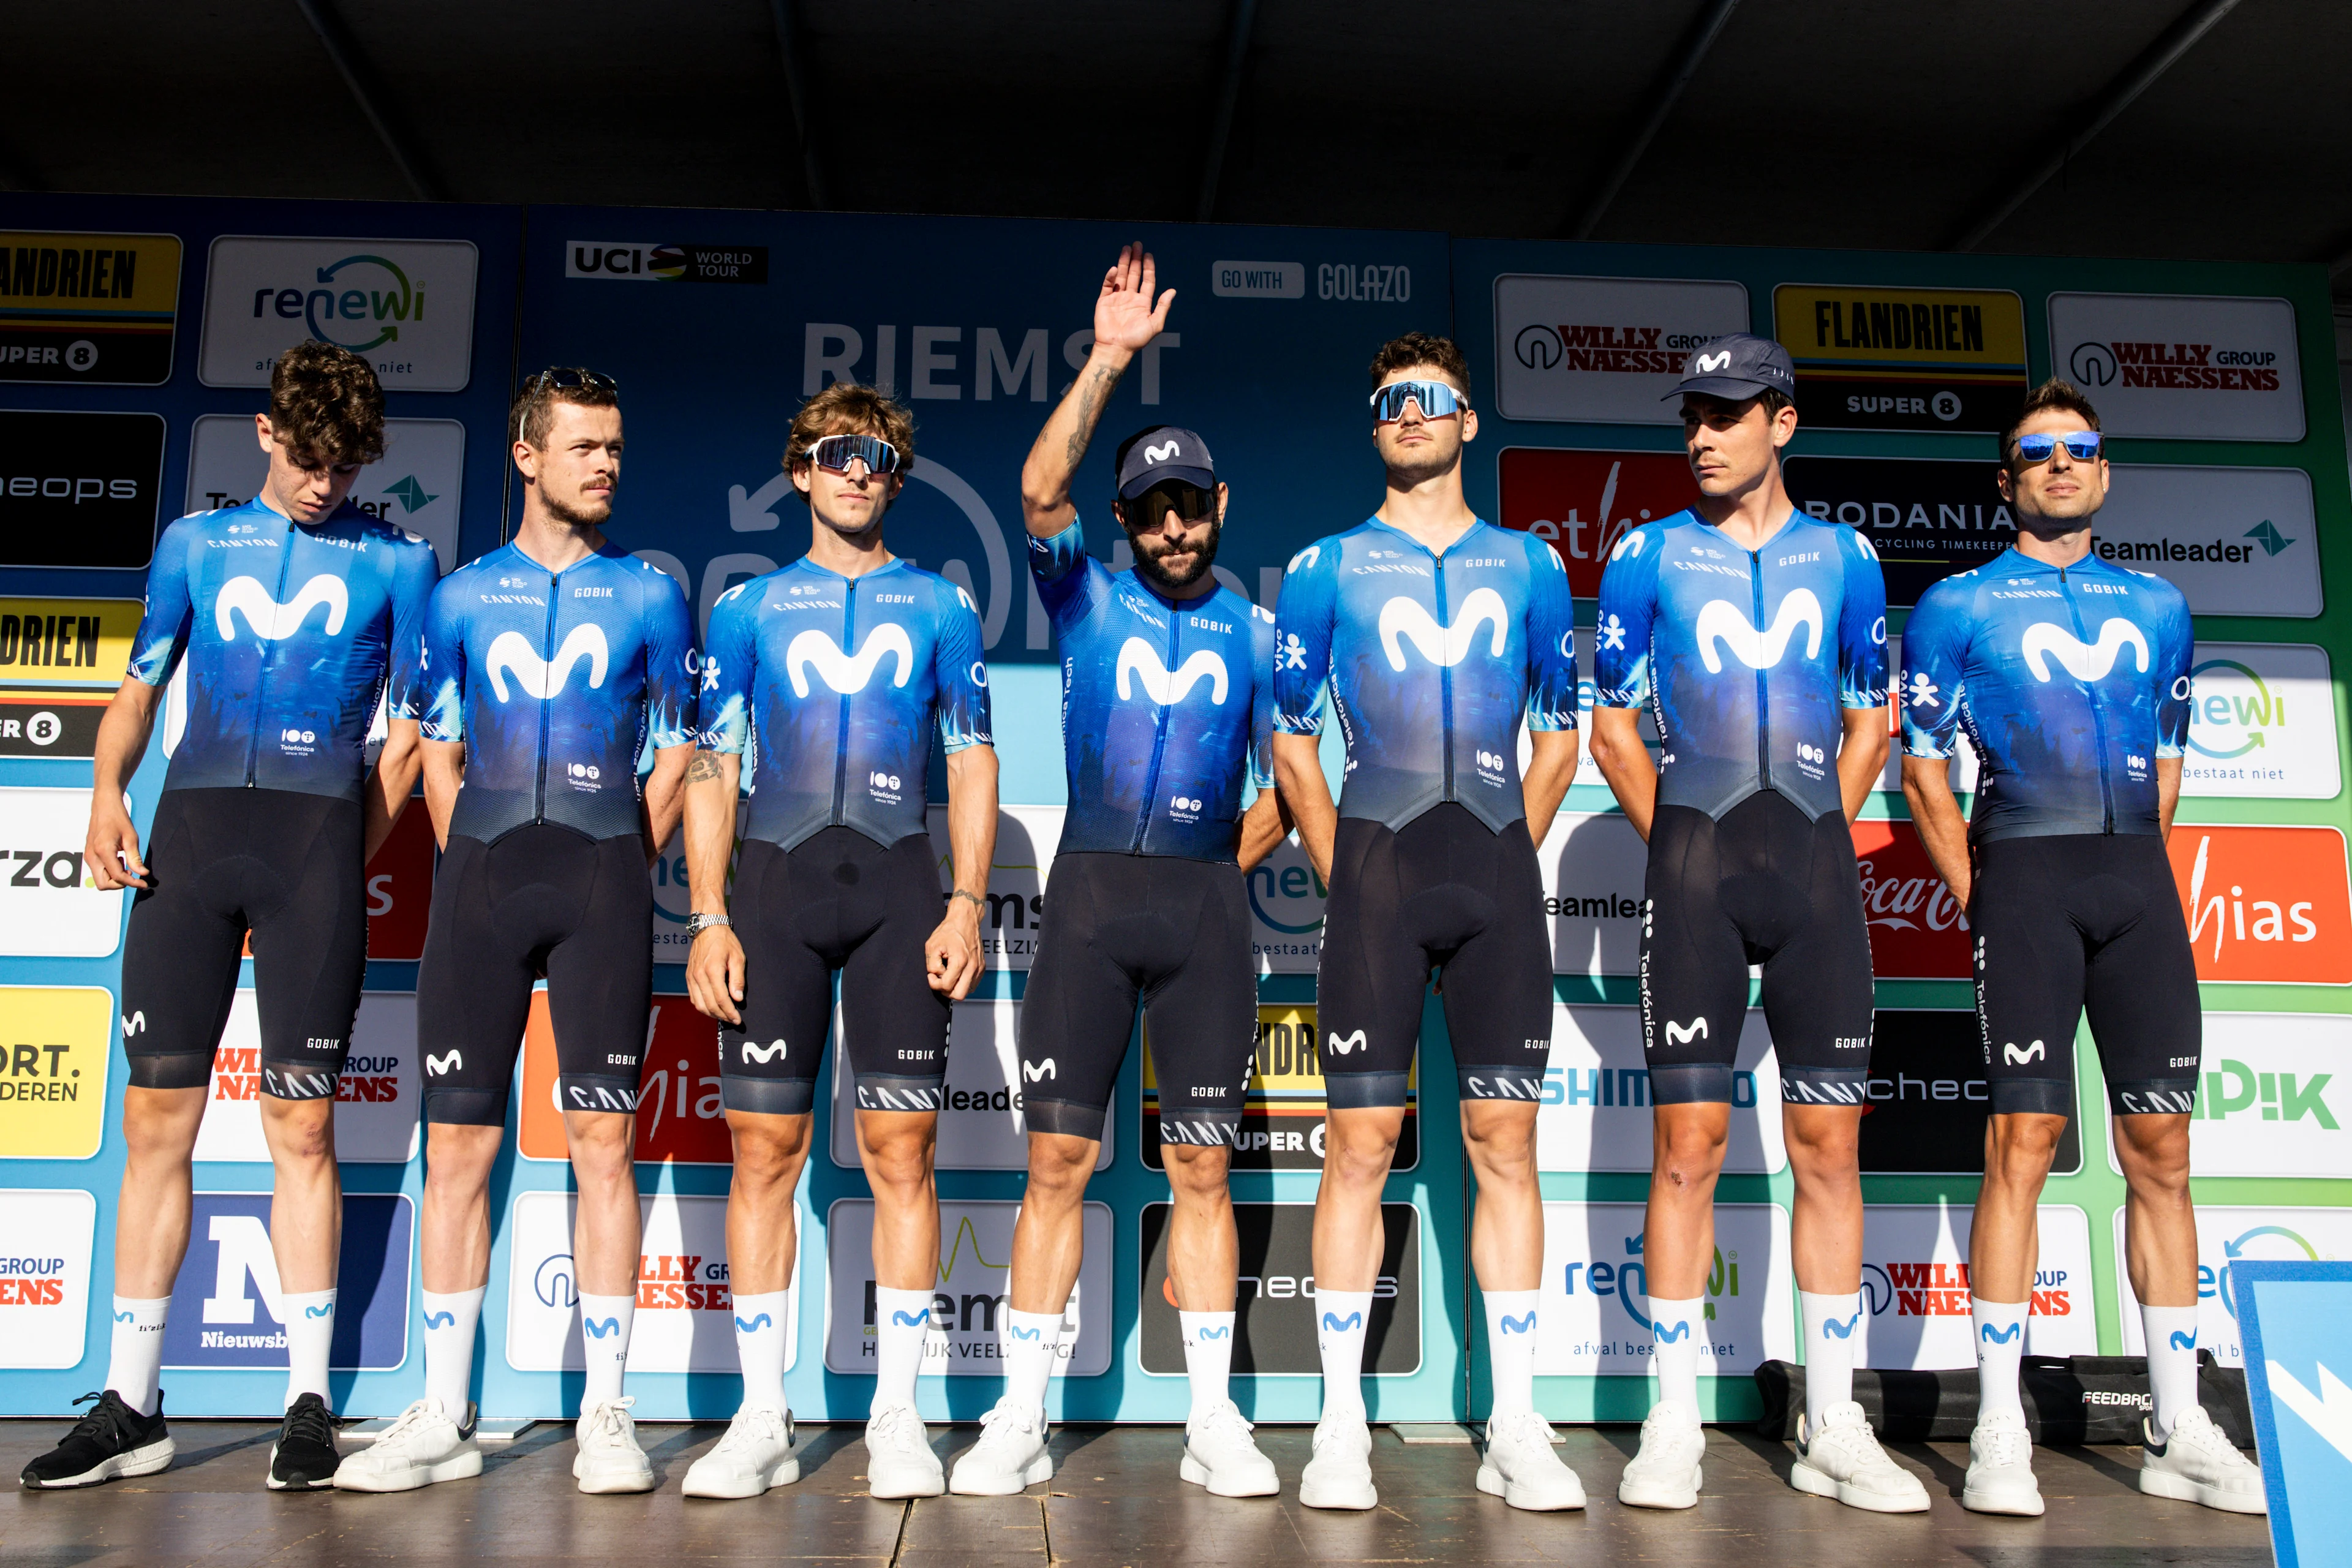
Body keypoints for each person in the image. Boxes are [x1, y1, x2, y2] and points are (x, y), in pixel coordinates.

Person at [20, 342, 436, 1494]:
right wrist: (105, 792)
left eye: (347, 465)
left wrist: (347, 853)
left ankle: (308, 1403)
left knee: (300, 1129)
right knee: (157, 1124)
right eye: (309, 458)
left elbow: (411, 730)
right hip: (191, 844)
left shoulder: (401, 565)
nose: (325, 483)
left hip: (314, 845)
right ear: (265, 435)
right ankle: (131, 1406)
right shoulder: (194, 546)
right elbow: (142, 683)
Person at [945, 246, 1287, 1499]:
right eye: (1152, 510)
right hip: (1088, 898)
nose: (1175, 527)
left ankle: (1213, 1420)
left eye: (1191, 505)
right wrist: (1106, 358)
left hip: (1202, 909)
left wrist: (1217, 863)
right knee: (1055, 1167)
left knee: (1203, 1165)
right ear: (1129, 523)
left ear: (1220, 504)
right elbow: (1039, 487)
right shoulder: (1083, 596)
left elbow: (1293, 780)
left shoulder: (1258, 630)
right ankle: (1019, 1415)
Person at [330, 368, 698, 1496]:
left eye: (617, 448)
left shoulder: (649, 593)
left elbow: (681, 746)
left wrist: (619, 858)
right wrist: (466, 849)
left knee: (602, 1144)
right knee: (461, 1148)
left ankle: (606, 1413)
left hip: (601, 881)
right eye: (584, 446)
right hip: (481, 881)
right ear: (527, 457)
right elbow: (432, 740)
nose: (606, 465)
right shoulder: (455, 596)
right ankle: (443, 1410)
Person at [1901, 379, 2264, 1517]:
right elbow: (1920, 769)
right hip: (2026, 885)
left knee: (2163, 1152)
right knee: (2024, 1141)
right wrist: (1986, 892)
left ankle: (2180, 1421)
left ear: (2104, 473)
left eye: (2079, 450)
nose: (2060, 465)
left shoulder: (2158, 604)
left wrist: (2137, 875)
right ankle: (2000, 1429)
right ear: (2006, 480)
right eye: (2037, 452)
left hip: (2138, 890)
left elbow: (2167, 764)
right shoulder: (1957, 605)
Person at [1588, 334, 1924, 1514]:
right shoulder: (1647, 555)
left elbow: (1871, 718)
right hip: (1696, 875)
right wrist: (1683, 839)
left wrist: (1813, 834)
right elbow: (1613, 729)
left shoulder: (1847, 557)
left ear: (1783, 423)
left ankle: (1833, 1420)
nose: (1702, 435)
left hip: (1817, 880)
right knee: (1688, 1150)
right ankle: (1672, 1421)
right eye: (1693, 414)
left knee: (1830, 1149)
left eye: (1728, 413)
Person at [1270, 333, 1583, 1512]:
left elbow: (1561, 733)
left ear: (1468, 422)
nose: (1406, 412)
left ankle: (1516, 1419)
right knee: (1357, 1148)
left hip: (1495, 874)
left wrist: (1512, 842)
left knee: (1507, 1147)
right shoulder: (1324, 567)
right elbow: (1293, 743)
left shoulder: (1531, 566)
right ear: (1374, 426)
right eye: (1387, 399)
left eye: (1429, 399)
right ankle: (1340, 1424)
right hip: (1377, 880)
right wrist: (1348, 866)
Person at [680, 381, 996, 1501]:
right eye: (835, 452)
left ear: (895, 479)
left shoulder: (942, 604)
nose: (858, 470)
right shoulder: (747, 609)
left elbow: (969, 759)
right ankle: (762, 1417)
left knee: (900, 1156)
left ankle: (898, 1417)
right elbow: (712, 765)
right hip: (772, 890)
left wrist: (967, 901)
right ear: (800, 469)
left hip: (901, 893)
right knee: (762, 1156)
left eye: (877, 456)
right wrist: (708, 913)